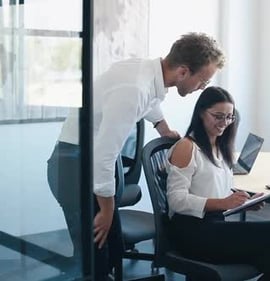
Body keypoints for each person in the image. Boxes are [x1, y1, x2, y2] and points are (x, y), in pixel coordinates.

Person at [47, 32, 225, 280]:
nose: (202, 87)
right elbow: (103, 157)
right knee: (93, 262)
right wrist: (108, 210)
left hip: (87, 161)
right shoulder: (135, 89)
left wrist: (162, 126)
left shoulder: (147, 72)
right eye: (203, 80)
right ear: (183, 72)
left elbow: (150, 100)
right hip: (74, 167)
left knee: (111, 252)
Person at [166, 86, 270, 281]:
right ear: (201, 113)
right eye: (218, 116)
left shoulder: (219, 147)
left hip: (214, 225)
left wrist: (244, 202)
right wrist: (223, 203)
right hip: (192, 232)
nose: (224, 123)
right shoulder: (187, 147)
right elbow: (176, 200)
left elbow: (216, 188)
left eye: (229, 117)